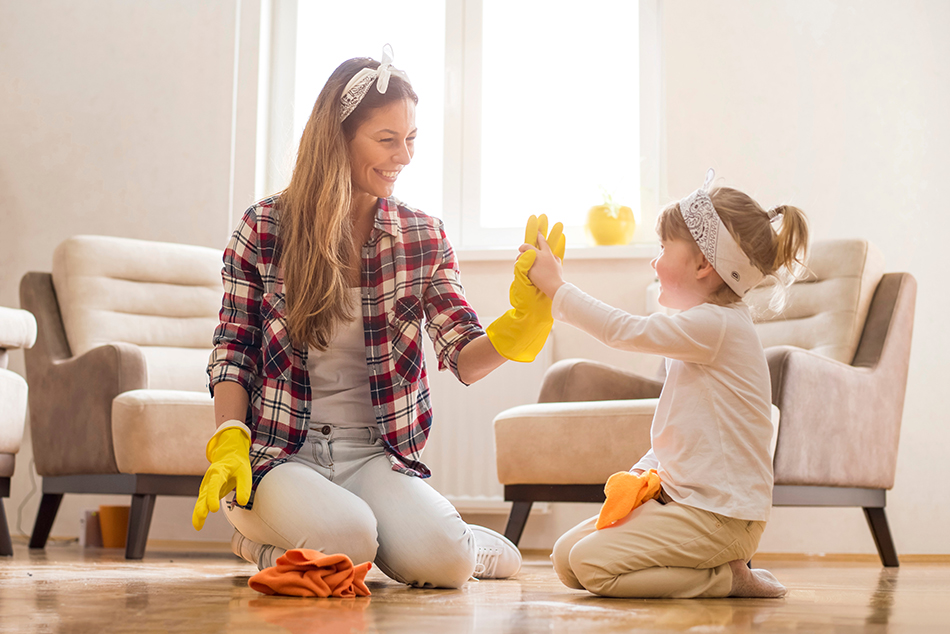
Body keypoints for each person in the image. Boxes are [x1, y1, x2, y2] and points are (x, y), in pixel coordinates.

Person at [191, 46, 560, 589]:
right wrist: (229, 438)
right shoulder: (265, 226)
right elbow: (234, 349)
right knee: (350, 540)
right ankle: (258, 542)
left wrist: (522, 322)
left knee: (449, 566)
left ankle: (446, 544)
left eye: (411, 139)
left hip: (373, 455)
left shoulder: (422, 235)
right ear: (337, 138)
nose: (404, 156)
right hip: (281, 452)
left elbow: (464, 355)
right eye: (387, 140)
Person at [520, 169, 809, 599]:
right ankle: (711, 569)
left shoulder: (717, 325)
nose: (654, 262)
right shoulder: (703, 332)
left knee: (590, 565)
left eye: (662, 248)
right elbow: (685, 428)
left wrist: (558, 289)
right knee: (567, 557)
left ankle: (725, 578)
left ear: (703, 265)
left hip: (721, 517)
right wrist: (642, 475)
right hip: (683, 503)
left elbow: (625, 330)